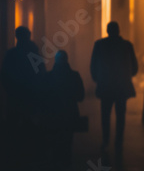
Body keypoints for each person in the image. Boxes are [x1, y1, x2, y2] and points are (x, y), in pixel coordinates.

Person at [0, 26, 46, 167]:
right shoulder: (34, 53)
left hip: (15, 95)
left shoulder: (11, 54)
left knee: (14, 125)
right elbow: (41, 74)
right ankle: (31, 154)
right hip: (31, 95)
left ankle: (14, 155)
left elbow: (4, 75)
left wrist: (10, 90)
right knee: (31, 124)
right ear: (29, 35)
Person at [90, 22, 138, 150]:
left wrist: (97, 79)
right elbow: (134, 67)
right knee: (121, 115)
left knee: (105, 114)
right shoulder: (127, 46)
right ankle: (119, 141)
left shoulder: (99, 45)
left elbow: (93, 65)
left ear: (107, 31)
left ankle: (105, 140)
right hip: (121, 87)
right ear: (119, 31)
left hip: (105, 86)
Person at [43, 50, 84, 169]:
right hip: (70, 114)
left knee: (54, 142)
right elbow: (81, 96)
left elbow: (43, 96)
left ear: (55, 60)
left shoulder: (48, 76)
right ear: (67, 60)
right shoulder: (75, 75)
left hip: (52, 115)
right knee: (67, 143)